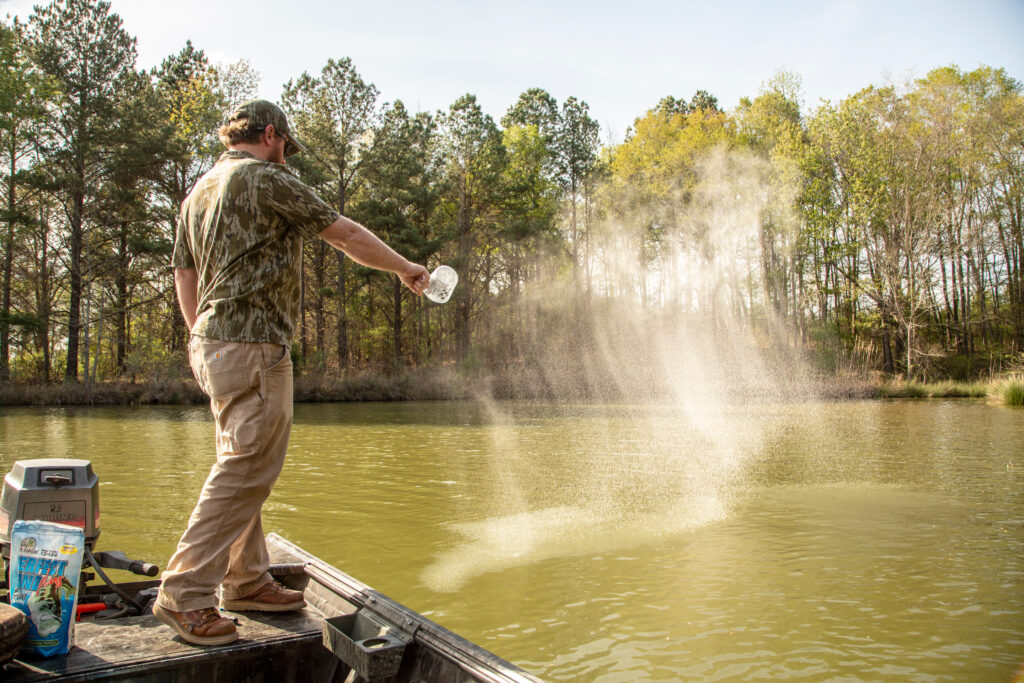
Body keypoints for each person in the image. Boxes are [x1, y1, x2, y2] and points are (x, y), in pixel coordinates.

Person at [154, 100, 429, 646]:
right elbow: (345, 234)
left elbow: (183, 272)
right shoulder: (264, 179)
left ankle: (246, 580)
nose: (287, 157)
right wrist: (406, 268)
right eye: (286, 146)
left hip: (212, 343)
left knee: (240, 462)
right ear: (271, 134)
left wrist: (199, 336)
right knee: (248, 466)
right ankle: (184, 595)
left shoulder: (198, 191)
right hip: (252, 345)